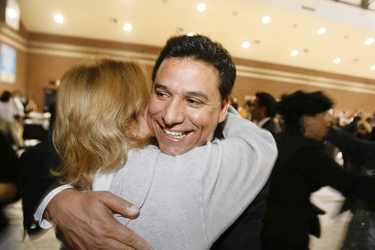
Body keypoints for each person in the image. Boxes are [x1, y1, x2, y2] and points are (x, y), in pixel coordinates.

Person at [20, 35, 277, 249]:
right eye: (161, 93)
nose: (170, 116)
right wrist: (57, 199)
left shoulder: (228, 165)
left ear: (223, 108)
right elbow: (44, 153)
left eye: (194, 100)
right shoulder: (133, 148)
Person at [261, 90, 375, 250]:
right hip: (287, 234)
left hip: (268, 227)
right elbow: (350, 183)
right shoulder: (307, 153)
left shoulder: (281, 140)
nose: (327, 120)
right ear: (307, 119)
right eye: (323, 115)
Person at [210, 91, 281, 250]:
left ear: (262, 109)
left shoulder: (266, 136)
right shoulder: (256, 131)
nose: (251, 109)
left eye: (254, 106)